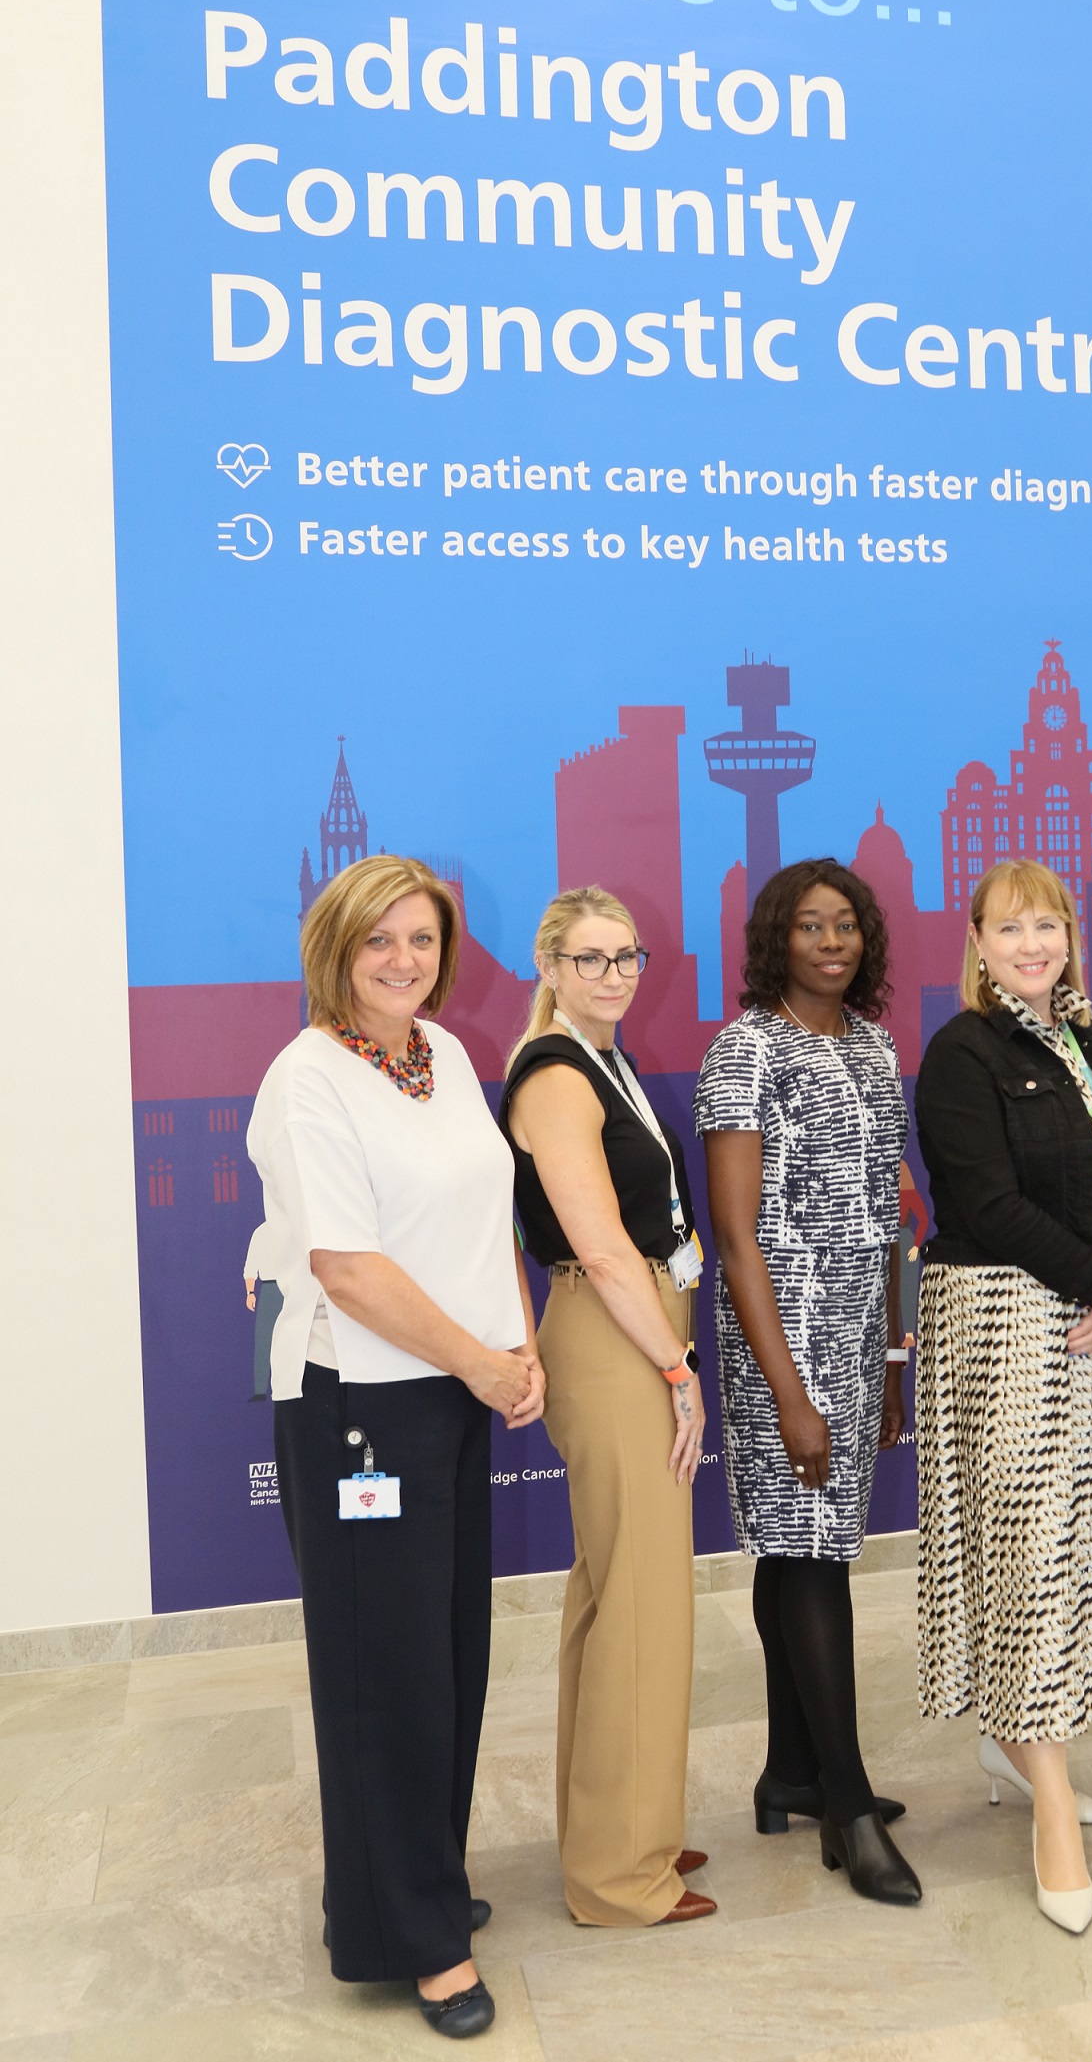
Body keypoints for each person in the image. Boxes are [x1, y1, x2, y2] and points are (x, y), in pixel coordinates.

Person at [248, 854, 544, 2041]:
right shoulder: (306, 1078)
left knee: (448, 1660)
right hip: (357, 1406)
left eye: (422, 940)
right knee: (385, 1675)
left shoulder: (446, 1055)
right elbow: (346, 1266)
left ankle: (411, 1880)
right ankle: (416, 1940)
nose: (403, 961)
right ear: (337, 945)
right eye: (381, 941)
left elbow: (483, 1216)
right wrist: (479, 1362)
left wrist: (513, 1351)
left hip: (455, 1395)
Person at [915, 859, 1092, 1937]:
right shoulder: (960, 1052)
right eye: (1010, 927)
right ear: (975, 939)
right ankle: (1049, 1798)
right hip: (1007, 1323)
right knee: (1025, 1552)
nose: (1032, 944)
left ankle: (1016, 1744)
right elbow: (983, 1200)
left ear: (1070, 934)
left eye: (1048, 925)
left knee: (1083, 1543)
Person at [695, 858, 920, 1907]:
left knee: (803, 1546)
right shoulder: (743, 1050)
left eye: (847, 926)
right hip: (773, 1336)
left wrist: (884, 1358)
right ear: (775, 940)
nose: (832, 942)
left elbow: (885, 1223)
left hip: (851, 1332)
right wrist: (788, 1389)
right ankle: (847, 1795)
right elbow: (735, 1236)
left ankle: (791, 1768)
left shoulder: (874, 1049)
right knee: (813, 1554)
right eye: (809, 927)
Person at [501, 887, 713, 1929]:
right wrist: (677, 1368)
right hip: (611, 1329)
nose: (615, 973)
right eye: (589, 958)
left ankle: (627, 1827)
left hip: (629, 1321)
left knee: (614, 1590)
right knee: (641, 1600)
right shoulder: (552, 1074)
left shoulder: (601, 1058)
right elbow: (597, 1243)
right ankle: (622, 1877)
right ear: (550, 966)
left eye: (626, 954)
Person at [244, 1221, 284, 1401]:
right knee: (264, 1340)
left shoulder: (294, 1226)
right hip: (269, 1290)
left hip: (291, 1288)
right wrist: (250, 1292)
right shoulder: (261, 1232)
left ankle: (287, 1388)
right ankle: (260, 1390)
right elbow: (251, 1266)